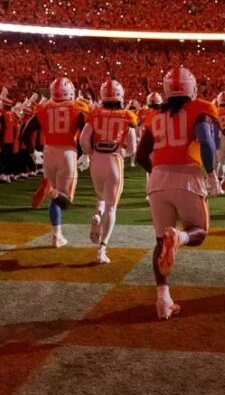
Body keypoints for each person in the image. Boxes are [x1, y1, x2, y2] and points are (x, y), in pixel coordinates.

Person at [135, 66, 221, 320]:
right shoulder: (200, 109)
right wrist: (212, 173)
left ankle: (163, 301)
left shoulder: (154, 116)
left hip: (158, 179)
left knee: (161, 241)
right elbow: (205, 141)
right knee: (198, 232)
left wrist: (159, 173)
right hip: (187, 176)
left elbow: (140, 156)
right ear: (191, 87)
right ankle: (180, 238)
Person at [21, 77, 89, 247]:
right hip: (67, 152)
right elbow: (86, 134)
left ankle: (56, 235)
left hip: (49, 151)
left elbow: (24, 134)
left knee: (55, 197)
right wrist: (86, 154)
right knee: (65, 200)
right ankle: (50, 191)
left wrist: (32, 152)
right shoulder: (77, 108)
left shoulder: (43, 108)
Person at [80, 79, 139, 264]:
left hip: (97, 159)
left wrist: (91, 153)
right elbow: (132, 146)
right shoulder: (127, 116)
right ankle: (102, 249)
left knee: (101, 197)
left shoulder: (95, 113)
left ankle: (97, 213)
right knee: (112, 206)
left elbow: (83, 139)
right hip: (114, 159)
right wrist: (123, 153)